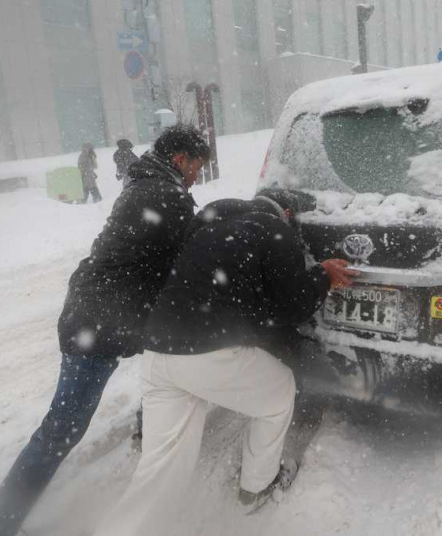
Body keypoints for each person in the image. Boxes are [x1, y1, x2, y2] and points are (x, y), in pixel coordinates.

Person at [0, 126, 211, 536]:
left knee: (162, 362)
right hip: (99, 324)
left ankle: (148, 425)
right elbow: (189, 259)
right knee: (61, 430)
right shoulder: (166, 196)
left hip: (99, 312)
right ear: (180, 159)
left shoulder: (144, 183)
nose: (196, 175)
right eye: (196, 166)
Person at [94, 192, 357, 536]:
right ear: (285, 213)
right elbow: (291, 306)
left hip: (159, 352)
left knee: (159, 467)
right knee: (280, 392)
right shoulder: (275, 230)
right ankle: (257, 486)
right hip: (205, 353)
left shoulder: (210, 225)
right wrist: (322, 275)